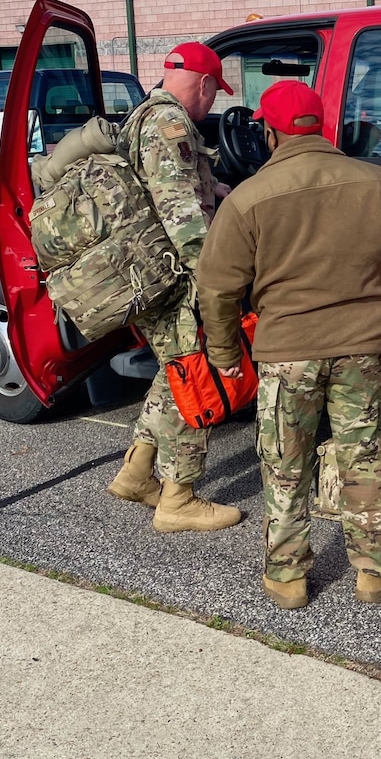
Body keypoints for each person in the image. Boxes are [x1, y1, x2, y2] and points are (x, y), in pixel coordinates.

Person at [194, 81, 381, 608]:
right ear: (319, 126)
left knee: (285, 466)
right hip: (362, 349)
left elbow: (217, 288)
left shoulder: (251, 197)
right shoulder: (376, 182)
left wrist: (228, 356)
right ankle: (376, 572)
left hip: (285, 354)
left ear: (270, 132)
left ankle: (287, 578)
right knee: (367, 461)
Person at [105, 41, 244, 533]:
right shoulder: (172, 126)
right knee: (196, 375)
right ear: (204, 84)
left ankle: (137, 473)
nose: (212, 104)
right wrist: (214, 286)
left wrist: (216, 188)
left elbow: (170, 189)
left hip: (148, 275)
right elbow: (182, 218)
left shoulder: (142, 115)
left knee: (172, 373)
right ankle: (178, 499)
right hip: (176, 277)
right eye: (214, 93)